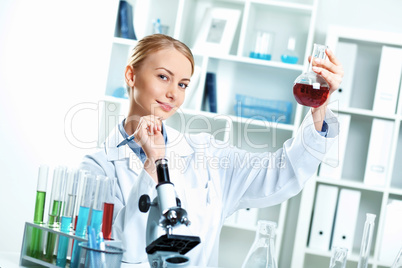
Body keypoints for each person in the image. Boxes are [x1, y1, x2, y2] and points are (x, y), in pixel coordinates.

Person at [80, 34, 344, 266]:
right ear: (131, 75)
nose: (174, 94)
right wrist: (154, 163)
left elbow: (283, 173)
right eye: (163, 77)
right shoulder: (97, 168)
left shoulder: (206, 153)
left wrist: (319, 106)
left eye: (183, 84)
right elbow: (114, 255)